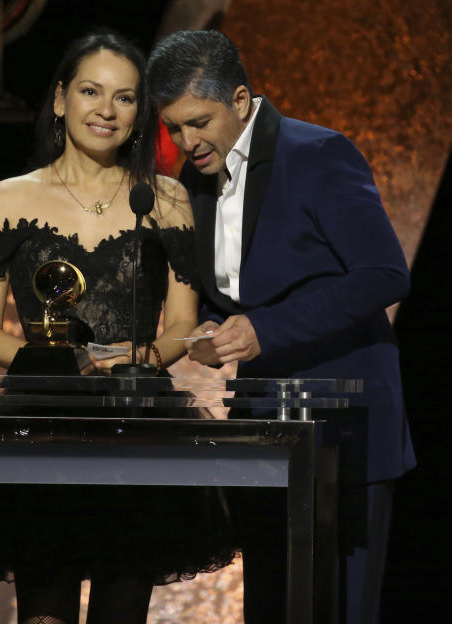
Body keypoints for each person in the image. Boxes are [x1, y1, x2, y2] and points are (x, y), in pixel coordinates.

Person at [147, 30, 416, 624]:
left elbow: (384, 275)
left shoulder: (317, 155)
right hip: (265, 425)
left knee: (341, 609)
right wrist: (217, 330)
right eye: (174, 128)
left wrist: (267, 330)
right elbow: (246, 287)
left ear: (240, 100)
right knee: (271, 606)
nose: (186, 141)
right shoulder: (195, 181)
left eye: (198, 122)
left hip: (346, 425)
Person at [0, 31, 234, 624]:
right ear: (60, 100)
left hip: (134, 418)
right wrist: (61, 364)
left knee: (122, 600)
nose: (106, 111)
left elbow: (184, 322)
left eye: (126, 98)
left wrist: (138, 358)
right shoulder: (8, 198)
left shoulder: (166, 199)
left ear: (141, 114)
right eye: (91, 91)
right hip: (41, 421)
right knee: (45, 603)